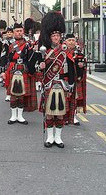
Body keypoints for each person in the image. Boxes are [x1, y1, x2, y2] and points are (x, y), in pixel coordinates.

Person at [38, 11, 69, 148]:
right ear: (49, 37)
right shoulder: (44, 51)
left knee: (60, 114)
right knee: (50, 113)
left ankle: (59, 138)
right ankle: (50, 138)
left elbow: (71, 71)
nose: (56, 38)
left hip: (62, 84)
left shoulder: (66, 51)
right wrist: (41, 66)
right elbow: (37, 70)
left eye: (58, 35)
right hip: (49, 84)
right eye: (53, 35)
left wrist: (71, 86)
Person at [1, 22, 38, 125]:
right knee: (13, 93)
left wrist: (34, 51)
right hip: (12, 69)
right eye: (17, 31)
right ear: (13, 32)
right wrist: (2, 71)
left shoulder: (28, 43)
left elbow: (31, 58)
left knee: (21, 94)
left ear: (23, 31)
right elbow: (3, 57)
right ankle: (13, 116)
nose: (19, 33)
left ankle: (20, 116)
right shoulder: (8, 43)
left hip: (23, 70)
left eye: (21, 31)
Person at [63, 33, 87, 126]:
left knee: (75, 99)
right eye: (69, 40)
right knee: (65, 98)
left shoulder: (79, 54)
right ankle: (65, 117)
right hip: (65, 79)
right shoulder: (62, 52)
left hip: (76, 79)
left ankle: (73, 116)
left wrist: (82, 66)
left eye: (73, 40)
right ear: (65, 42)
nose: (71, 42)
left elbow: (82, 66)